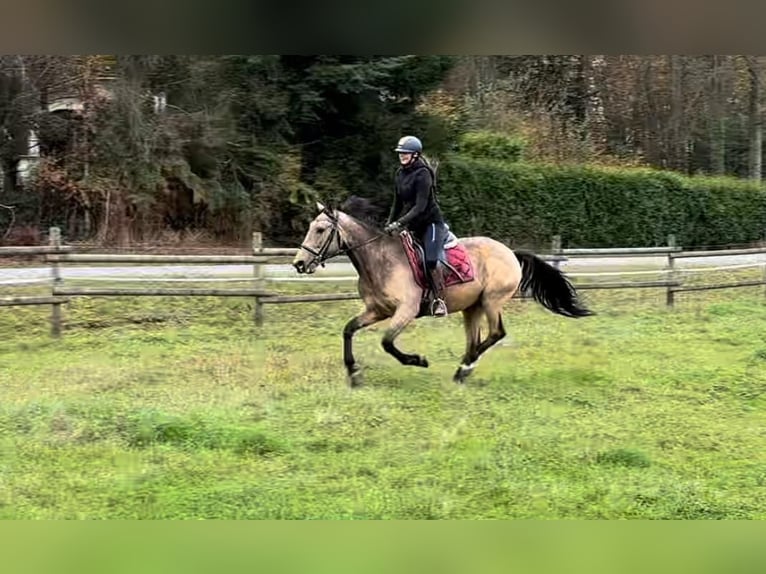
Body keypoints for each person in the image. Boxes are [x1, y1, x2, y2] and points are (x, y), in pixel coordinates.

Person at [384, 135, 449, 317]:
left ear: (415, 154)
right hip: (411, 224)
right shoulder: (400, 174)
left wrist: (400, 222)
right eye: (400, 153)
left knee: (430, 260)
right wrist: (389, 223)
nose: (402, 156)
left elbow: (420, 207)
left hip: (430, 223)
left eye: (406, 153)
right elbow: (397, 203)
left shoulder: (423, 174)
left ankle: (438, 300)